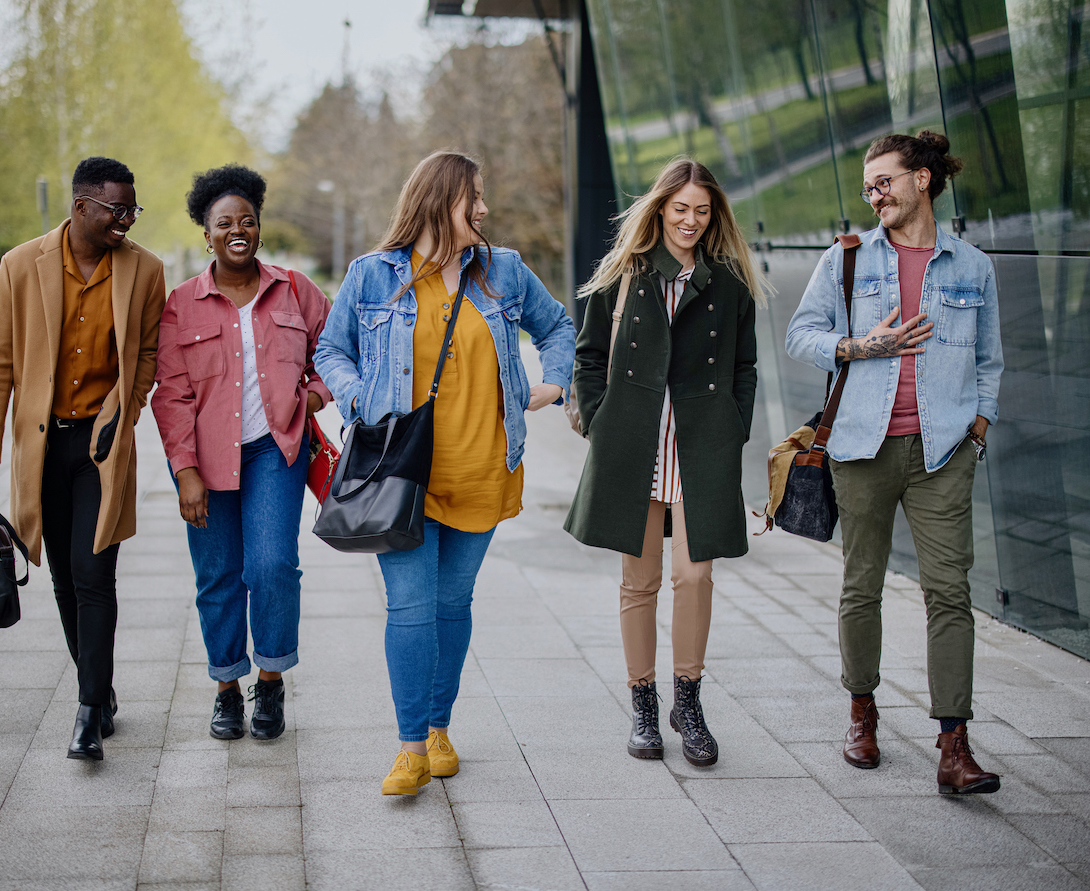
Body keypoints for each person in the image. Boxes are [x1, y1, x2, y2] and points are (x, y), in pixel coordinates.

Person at [314, 151, 575, 795]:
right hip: (401, 474)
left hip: (485, 467)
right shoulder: (372, 275)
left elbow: (559, 326)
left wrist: (552, 384)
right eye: (473, 197)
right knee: (410, 606)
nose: (484, 209)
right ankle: (409, 747)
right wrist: (358, 402)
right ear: (438, 202)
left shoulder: (503, 272)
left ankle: (437, 725)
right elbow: (331, 350)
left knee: (452, 604)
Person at [786, 131, 1004, 795]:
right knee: (862, 585)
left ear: (923, 181)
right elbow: (802, 336)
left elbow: (990, 359)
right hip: (861, 447)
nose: (873, 193)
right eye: (867, 185)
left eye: (884, 180)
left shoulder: (972, 267)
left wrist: (979, 422)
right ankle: (862, 708)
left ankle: (953, 744)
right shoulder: (847, 259)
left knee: (950, 592)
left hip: (942, 452)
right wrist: (861, 344)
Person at [565, 157, 766, 767]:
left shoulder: (729, 281)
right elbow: (589, 356)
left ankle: (690, 701)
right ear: (660, 209)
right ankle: (644, 706)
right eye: (680, 209)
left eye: (702, 211)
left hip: (701, 445)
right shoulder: (625, 274)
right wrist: (601, 419)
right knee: (640, 581)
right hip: (636, 444)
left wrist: (733, 427)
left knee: (696, 576)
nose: (690, 221)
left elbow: (744, 367)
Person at [0, 156, 165, 761]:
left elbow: (149, 355)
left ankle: (86, 713)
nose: (126, 220)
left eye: (133, 209)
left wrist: (123, 416)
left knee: (93, 570)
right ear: (81, 206)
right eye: (116, 209)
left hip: (100, 448)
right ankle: (99, 689)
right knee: (60, 575)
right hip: (42, 447)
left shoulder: (145, 271)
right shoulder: (19, 266)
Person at [152, 165, 331, 742]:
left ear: (258, 228)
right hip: (206, 461)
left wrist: (315, 396)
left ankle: (271, 680)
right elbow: (172, 394)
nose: (237, 230)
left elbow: (336, 352)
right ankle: (227, 688)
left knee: (272, 566)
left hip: (276, 452)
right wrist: (185, 472)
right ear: (206, 234)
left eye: (246, 221)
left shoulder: (295, 290)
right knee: (219, 575)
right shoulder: (181, 304)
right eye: (223, 222)